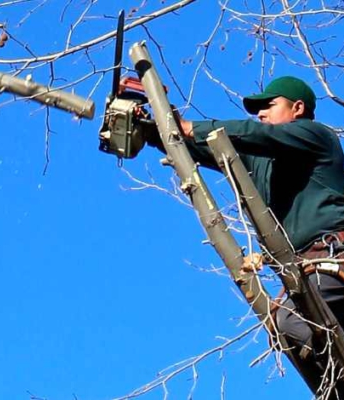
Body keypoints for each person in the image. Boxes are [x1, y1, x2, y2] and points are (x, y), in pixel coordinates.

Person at [147, 76, 344, 380]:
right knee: (289, 334)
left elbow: (252, 134)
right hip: (307, 270)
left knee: (291, 321)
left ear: (298, 108)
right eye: (258, 109)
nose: (261, 113)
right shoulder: (262, 161)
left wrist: (189, 127)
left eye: (270, 105)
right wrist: (153, 125)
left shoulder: (316, 136)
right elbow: (206, 147)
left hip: (333, 255)